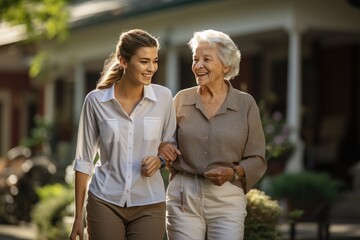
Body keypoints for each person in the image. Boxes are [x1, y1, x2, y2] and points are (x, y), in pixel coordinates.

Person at [69, 29, 177, 240]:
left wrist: (160, 160)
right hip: (104, 200)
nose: (151, 68)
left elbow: (170, 144)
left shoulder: (164, 98)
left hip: (149, 202)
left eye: (155, 61)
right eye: (144, 61)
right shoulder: (96, 101)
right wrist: (78, 218)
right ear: (123, 61)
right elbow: (83, 161)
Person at [159, 29, 267, 240]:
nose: (198, 65)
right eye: (195, 59)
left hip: (227, 197)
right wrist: (163, 148)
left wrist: (234, 173)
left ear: (226, 65)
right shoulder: (181, 100)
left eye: (206, 59)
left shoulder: (246, 104)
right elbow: (166, 141)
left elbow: (257, 157)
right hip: (184, 195)